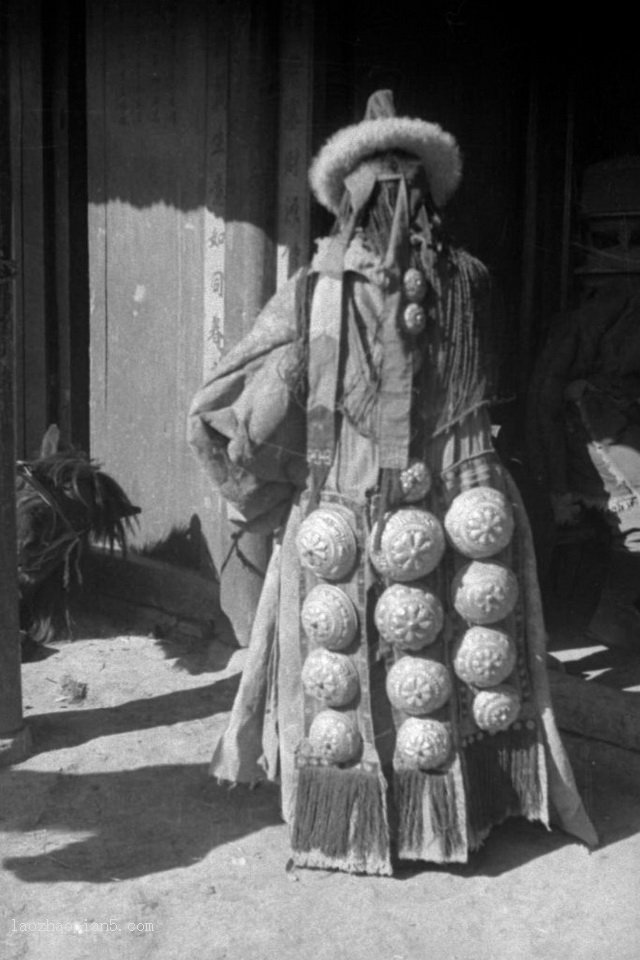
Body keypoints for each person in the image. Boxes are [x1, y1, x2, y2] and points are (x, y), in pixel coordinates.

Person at [188, 91, 596, 875]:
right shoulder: (470, 283)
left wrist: (265, 495)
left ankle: (365, 823)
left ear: (346, 205)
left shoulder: (317, 290)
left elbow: (239, 412)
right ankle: (456, 817)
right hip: (460, 495)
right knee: (457, 653)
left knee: (357, 664)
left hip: (345, 500)